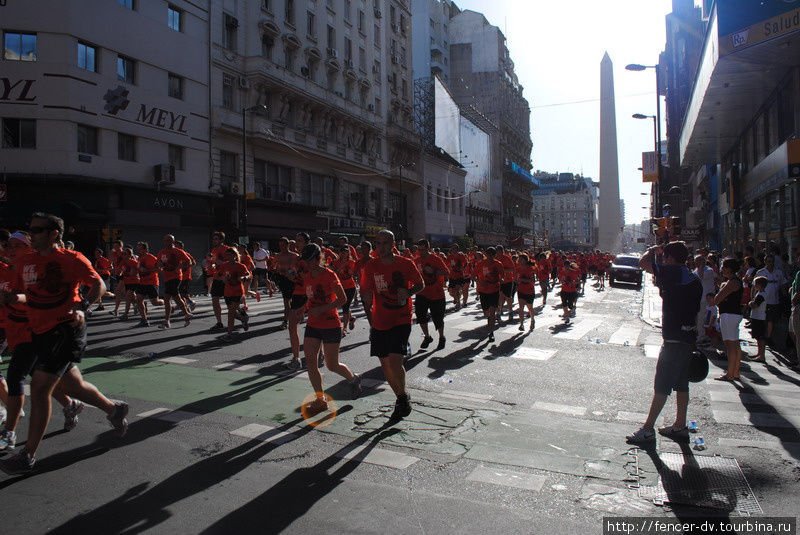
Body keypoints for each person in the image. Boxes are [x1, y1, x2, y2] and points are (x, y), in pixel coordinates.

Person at [0, 214, 128, 474]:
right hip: (39, 332)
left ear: (53, 234)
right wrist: (14, 297)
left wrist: (82, 307)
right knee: (73, 386)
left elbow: (99, 285)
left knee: (39, 386)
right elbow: (31, 295)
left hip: (66, 329)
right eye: (30, 229)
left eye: (36, 230)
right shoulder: (27, 262)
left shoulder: (71, 259)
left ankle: (27, 455)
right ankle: (114, 409)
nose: (31, 234)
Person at [626, 241, 702, 445]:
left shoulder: (672, 272)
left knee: (662, 384)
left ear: (670, 258)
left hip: (674, 338)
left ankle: (648, 429)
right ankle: (680, 425)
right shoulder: (693, 276)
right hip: (688, 337)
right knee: (681, 383)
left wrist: (653, 250)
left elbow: (643, 263)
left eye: (666, 256)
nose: (664, 260)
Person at [361, 230, 424, 420]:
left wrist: (409, 292)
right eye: (377, 243)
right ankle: (401, 397)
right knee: (385, 365)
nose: (380, 247)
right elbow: (365, 294)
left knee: (395, 362)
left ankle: (401, 398)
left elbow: (420, 284)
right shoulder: (371, 266)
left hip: (401, 319)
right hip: (380, 320)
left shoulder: (405, 263)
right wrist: (370, 320)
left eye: (384, 243)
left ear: (392, 244)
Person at [299, 244, 361, 413]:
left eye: (312, 259)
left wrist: (322, 308)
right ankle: (320, 399)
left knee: (331, 365)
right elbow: (309, 298)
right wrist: (302, 310)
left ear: (319, 258)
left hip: (331, 324)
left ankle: (353, 378)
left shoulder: (329, 275)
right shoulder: (307, 277)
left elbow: (342, 299)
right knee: (311, 362)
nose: (309, 263)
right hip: (313, 324)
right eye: (306, 260)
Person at [414, 239, 449, 350]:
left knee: (438, 318)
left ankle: (441, 337)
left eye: (423, 249)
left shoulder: (436, 259)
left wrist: (434, 271)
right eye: (419, 249)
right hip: (422, 292)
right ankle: (427, 336)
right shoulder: (417, 260)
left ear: (428, 248)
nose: (421, 252)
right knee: (420, 316)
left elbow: (447, 272)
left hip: (436, 294)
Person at [713, 258, 743, 381]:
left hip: (729, 315)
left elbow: (717, 299)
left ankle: (730, 373)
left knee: (730, 345)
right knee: (735, 345)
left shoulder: (731, 282)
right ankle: (735, 372)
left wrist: (721, 287)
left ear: (729, 269)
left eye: (724, 267)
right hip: (734, 314)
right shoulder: (735, 281)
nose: (722, 269)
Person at [156, 234, 192, 329]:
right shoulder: (162, 252)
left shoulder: (178, 251)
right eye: (166, 240)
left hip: (176, 277)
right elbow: (158, 262)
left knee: (170, 297)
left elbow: (189, 262)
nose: (167, 242)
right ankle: (186, 314)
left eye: (169, 240)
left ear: (173, 241)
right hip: (167, 277)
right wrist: (160, 266)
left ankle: (167, 321)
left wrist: (179, 267)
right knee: (173, 298)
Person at [286, 233, 311, 369]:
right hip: (298, 292)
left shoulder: (309, 259)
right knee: (292, 326)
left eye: (300, 241)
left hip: (307, 294)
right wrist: (292, 276)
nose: (297, 243)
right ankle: (296, 358)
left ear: (307, 243)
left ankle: (297, 359)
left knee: (314, 326)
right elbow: (298, 278)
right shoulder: (299, 258)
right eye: (296, 240)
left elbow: (310, 278)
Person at [217, 247, 250, 341]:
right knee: (232, 313)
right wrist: (222, 278)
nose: (228, 256)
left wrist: (243, 278)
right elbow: (218, 275)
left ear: (235, 256)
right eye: (227, 255)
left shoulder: (240, 266)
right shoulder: (224, 265)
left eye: (230, 255)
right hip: (227, 292)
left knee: (230, 313)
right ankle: (243, 319)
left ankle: (229, 334)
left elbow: (248, 275)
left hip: (238, 291)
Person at [755, 254, 787, 345]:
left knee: (771, 320)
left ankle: (769, 337)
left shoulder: (778, 273)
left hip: (775, 301)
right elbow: (754, 287)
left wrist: (785, 294)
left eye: (772, 261)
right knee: (765, 320)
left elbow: (783, 284)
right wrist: (754, 298)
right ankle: (765, 336)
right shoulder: (761, 272)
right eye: (768, 261)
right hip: (763, 301)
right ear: (765, 262)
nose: (770, 263)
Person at [475, 247, 504, 342]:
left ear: (494, 255)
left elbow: (502, 276)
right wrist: (479, 282)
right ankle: (490, 320)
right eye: (488, 255)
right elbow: (473, 275)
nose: (490, 257)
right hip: (483, 291)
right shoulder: (480, 264)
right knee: (486, 313)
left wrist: (501, 280)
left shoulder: (498, 264)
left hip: (494, 290)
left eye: (492, 255)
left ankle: (491, 333)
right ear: (486, 255)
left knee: (492, 312)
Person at [134, 242, 164, 327]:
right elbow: (139, 268)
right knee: (139, 300)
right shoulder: (139, 258)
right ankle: (144, 320)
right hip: (142, 282)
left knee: (155, 302)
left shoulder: (151, 257)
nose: (138, 250)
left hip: (152, 282)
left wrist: (146, 270)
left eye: (140, 248)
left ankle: (167, 303)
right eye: (137, 248)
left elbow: (160, 269)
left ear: (145, 249)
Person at [331, 244, 357, 335]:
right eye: (342, 252)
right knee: (345, 306)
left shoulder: (351, 262)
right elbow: (333, 274)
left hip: (350, 287)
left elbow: (350, 274)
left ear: (348, 253)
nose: (344, 254)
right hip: (340, 287)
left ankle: (344, 328)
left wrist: (345, 266)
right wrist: (340, 267)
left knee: (345, 307)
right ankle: (351, 319)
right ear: (340, 253)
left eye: (346, 252)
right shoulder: (336, 262)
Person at [274, 237, 299, 331]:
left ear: (288, 245)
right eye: (280, 245)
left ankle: (292, 318)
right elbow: (275, 267)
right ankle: (286, 321)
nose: (281, 247)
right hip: (283, 280)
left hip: (293, 280)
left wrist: (285, 270)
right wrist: (278, 271)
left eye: (283, 245)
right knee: (286, 302)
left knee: (293, 301)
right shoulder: (278, 255)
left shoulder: (294, 255)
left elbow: (292, 269)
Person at [208, 231, 230, 331]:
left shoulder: (227, 249)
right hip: (217, 277)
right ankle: (219, 322)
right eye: (213, 239)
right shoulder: (213, 250)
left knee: (229, 303)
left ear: (221, 240)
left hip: (225, 278)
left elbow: (232, 263)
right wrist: (211, 265)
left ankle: (241, 315)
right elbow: (214, 263)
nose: (214, 240)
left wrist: (220, 262)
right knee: (215, 300)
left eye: (216, 239)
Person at [748, 276, 768, 363]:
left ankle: (762, 355)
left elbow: (755, 305)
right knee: (757, 337)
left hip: (759, 318)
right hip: (757, 317)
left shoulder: (761, 295)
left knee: (760, 337)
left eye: (756, 284)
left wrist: (750, 303)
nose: (754, 286)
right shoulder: (759, 293)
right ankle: (759, 353)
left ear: (760, 285)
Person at [515, 254, 537, 331]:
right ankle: (521, 324)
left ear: (525, 260)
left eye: (521, 259)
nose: (520, 260)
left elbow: (532, 281)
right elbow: (516, 280)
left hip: (530, 291)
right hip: (521, 290)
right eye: (519, 259)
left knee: (530, 307)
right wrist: (518, 281)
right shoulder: (517, 269)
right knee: (521, 308)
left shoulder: (530, 269)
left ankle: (532, 320)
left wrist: (523, 280)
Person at [174, 240, 197, 312]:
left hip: (185, 277)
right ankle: (183, 306)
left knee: (183, 293)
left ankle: (191, 302)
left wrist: (184, 266)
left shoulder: (186, 254)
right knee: (179, 292)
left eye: (176, 246)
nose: (175, 247)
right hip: (178, 277)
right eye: (174, 246)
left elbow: (193, 263)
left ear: (181, 247)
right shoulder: (175, 255)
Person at [496, 245, 516, 321]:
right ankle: (498, 312)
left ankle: (510, 312)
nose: (497, 252)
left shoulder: (507, 258)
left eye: (498, 251)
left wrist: (502, 270)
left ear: (502, 251)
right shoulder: (495, 259)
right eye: (496, 251)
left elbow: (512, 268)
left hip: (508, 281)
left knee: (508, 297)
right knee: (500, 297)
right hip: (499, 281)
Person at [446, 244, 469, 310]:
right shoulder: (450, 257)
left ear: (457, 249)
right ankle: (457, 297)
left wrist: (463, 268)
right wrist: (448, 268)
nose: (453, 250)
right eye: (452, 249)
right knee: (451, 292)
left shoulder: (461, 255)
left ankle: (458, 303)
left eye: (454, 248)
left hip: (459, 275)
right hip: (451, 276)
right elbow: (445, 264)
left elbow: (466, 263)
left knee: (457, 289)